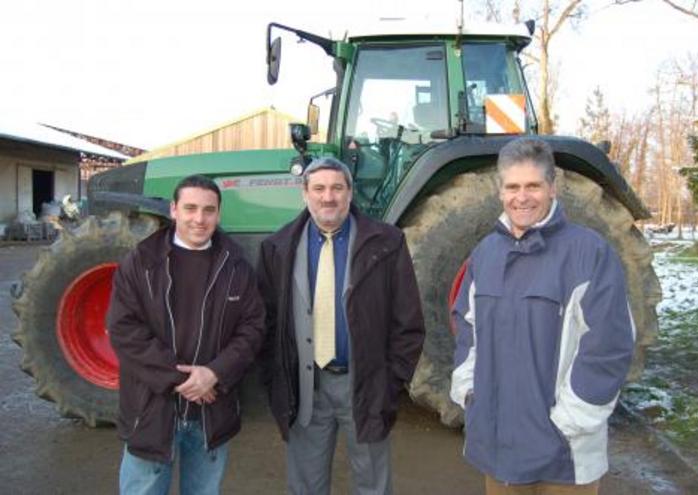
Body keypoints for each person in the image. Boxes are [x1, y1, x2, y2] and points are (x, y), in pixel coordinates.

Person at [450, 138, 635, 495]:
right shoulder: (485, 254)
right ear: (501, 191)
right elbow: (467, 328)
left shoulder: (589, 254)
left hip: (564, 455)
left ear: (552, 188)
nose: (522, 197)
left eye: (533, 185)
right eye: (513, 187)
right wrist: (470, 392)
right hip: (499, 448)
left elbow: (609, 348)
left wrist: (570, 422)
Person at [257, 157, 425, 495]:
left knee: (372, 484)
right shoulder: (276, 248)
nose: (328, 197)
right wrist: (278, 380)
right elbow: (266, 323)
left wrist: (389, 384)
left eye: (337, 188)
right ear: (305, 194)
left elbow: (408, 323)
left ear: (350, 193)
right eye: (318, 188)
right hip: (306, 388)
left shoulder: (387, 244)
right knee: (305, 485)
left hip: (364, 386)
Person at [107, 174, 265, 494]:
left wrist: (215, 373)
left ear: (219, 214)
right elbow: (124, 329)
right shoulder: (141, 262)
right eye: (190, 208)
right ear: (174, 210)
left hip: (211, 412)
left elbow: (252, 328)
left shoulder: (236, 267)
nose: (199, 218)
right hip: (151, 409)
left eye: (208, 210)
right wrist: (183, 380)